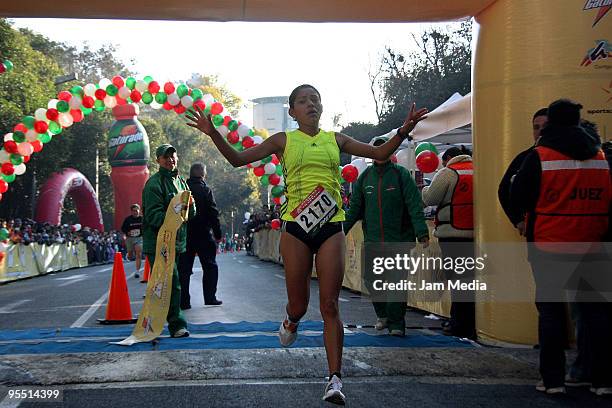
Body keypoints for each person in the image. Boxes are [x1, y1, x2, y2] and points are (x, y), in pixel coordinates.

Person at [186, 84, 427, 405]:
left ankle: (334, 379)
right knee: (299, 305)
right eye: (303, 100)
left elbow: (380, 153)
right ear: (292, 112)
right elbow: (237, 159)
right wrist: (213, 132)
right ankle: (291, 320)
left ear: (321, 107)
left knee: (330, 305)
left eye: (315, 99)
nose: (310, 104)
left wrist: (405, 129)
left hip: (331, 227)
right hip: (297, 229)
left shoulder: (335, 139)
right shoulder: (283, 141)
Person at [511, 99, 611, 395]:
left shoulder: (540, 156)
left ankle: (553, 380)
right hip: (593, 244)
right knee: (597, 314)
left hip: (550, 244)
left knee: (552, 313)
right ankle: (603, 380)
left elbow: (519, 196)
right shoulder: (599, 156)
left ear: (551, 122)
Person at [343, 136, 429, 336]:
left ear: (390, 152)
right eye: (377, 149)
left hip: (399, 240)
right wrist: (340, 232)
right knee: (372, 280)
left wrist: (421, 231)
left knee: (396, 284)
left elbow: (414, 204)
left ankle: (397, 324)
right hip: (373, 241)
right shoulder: (364, 178)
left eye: (385, 148)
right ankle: (383, 315)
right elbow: (354, 209)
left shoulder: (401, 176)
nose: (381, 152)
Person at [422, 145, 476, 340]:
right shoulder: (479, 169)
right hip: (476, 233)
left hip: (453, 233)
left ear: (450, 158)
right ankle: (466, 321)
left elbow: (430, 198)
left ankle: (459, 324)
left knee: (457, 282)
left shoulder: (448, 173)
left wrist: (426, 187)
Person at [142, 143, 196, 338]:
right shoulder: (153, 184)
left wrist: (191, 206)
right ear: (158, 160)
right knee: (171, 284)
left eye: (173, 156)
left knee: (165, 285)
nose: (170, 159)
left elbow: (191, 212)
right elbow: (153, 216)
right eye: (165, 157)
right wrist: (173, 220)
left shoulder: (181, 182)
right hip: (159, 244)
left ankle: (151, 325)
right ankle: (176, 325)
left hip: (177, 243)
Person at [178, 163, 223, 310]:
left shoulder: (182, 189)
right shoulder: (205, 190)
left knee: (184, 269)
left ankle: (184, 301)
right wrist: (217, 233)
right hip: (203, 233)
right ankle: (210, 297)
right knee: (210, 266)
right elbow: (213, 212)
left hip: (185, 233)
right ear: (203, 174)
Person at [498, 108, 548, 236]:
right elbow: (504, 189)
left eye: (546, 126)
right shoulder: (526, 157)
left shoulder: (568, 155)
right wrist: (518, 220)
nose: (541, 131)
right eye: (536, 127)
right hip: (537, 231)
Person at [121, 204, 144, 278]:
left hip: (139, 238)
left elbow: (146, 227)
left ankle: (137, 271)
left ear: (139, 210)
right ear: (131, 211)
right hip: (130, 239)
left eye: (137, 210)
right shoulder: (128, 219)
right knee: (130, 255)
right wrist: (127, 232)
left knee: (139, 254)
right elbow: (123, 228)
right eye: (134, 211)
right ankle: (129, 255)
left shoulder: (142, 219)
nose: (135, 212)